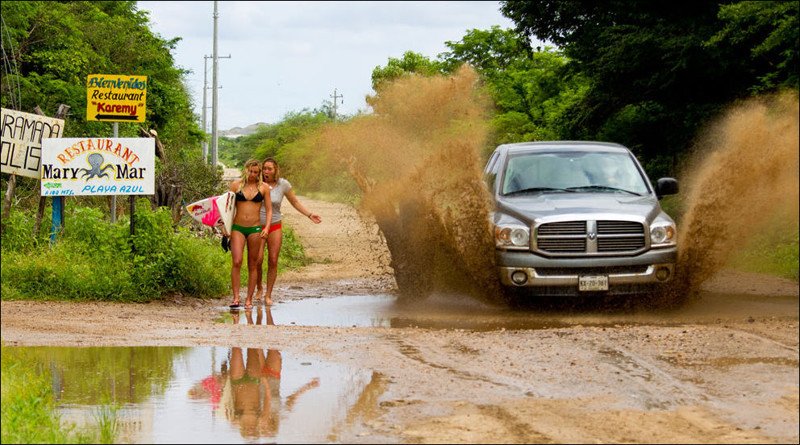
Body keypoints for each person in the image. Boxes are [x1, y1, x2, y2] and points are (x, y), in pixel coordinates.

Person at [255, 157, 321, 305]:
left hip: (275, 225)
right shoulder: (257, 183)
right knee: (258, 260)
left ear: (275, 170)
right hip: (258, 226)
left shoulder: (283, 184)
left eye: (269, 169)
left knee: (273, 260)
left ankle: (268, 295)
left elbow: (295, 202)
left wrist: (309, 214)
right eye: (264, 168)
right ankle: (259, 287)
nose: (266, 171)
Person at [228, 159, 272, 309]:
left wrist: (266, 228)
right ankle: (235, 297)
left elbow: (269, 210)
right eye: (250, 171)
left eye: (256, 172)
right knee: (237, 261)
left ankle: (248, 299)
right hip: (238, 227)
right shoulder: (235, 186)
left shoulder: (264, 188)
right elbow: (227, 208)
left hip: (255, 228)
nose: (252, 175)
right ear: (245, 170)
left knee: (252, 264)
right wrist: (224, 227)